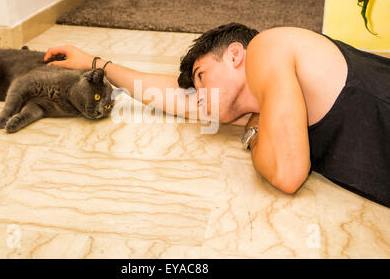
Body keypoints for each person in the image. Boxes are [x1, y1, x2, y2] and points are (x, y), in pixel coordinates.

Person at [44, 23, 390, 208]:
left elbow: (287, 175)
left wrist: (254, 129)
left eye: (201, 76)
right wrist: (96, 63)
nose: (200, 97)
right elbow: (167, 93)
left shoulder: (269, 48)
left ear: (236, 55)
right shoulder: (269, 99)